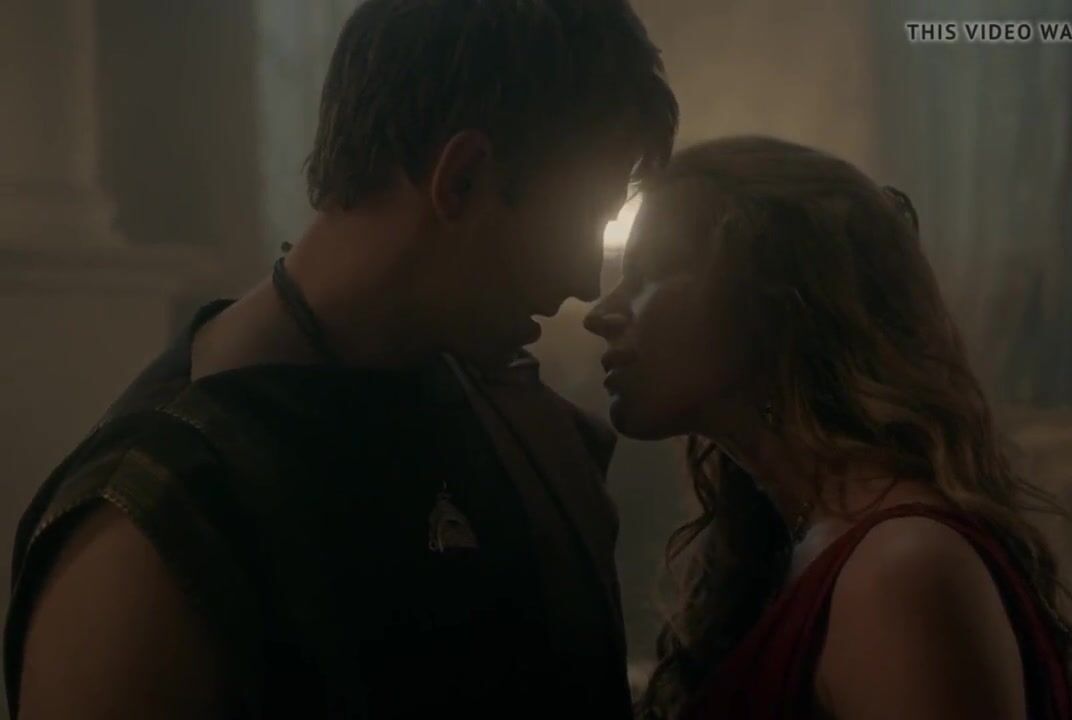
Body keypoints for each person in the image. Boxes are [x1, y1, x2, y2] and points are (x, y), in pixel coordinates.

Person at [6, 1, 677, 717]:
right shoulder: (150, 530)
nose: (585, 282)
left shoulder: (525, 429)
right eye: (582, 217)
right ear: (463, 177)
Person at [584, 136, 1072, 719]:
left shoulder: (901, 569)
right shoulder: (790, 542)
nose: (601, 313)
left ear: (778, 297)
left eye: (648, 273)